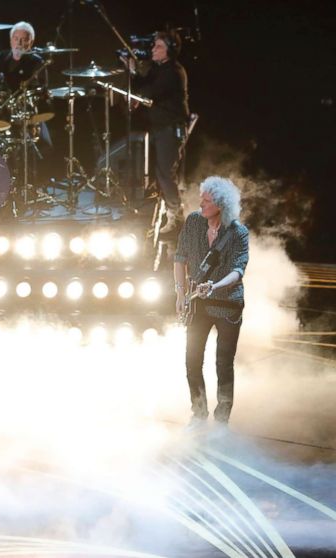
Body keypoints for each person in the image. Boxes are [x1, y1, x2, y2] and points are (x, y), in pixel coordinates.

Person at [174, 177, 249, 433]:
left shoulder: (238, 233)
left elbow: (238, 271)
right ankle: (199, 412)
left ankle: (221, 421)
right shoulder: (194, 222)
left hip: (227, 305)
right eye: (202, 198)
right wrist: (180, 292)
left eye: (206, 200)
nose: (201, 204)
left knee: (223, 363)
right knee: (192, 360)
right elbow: (179, 258)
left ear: (221, 204)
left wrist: (214, 287)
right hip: (199, 305)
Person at [124, 31, 190, 234]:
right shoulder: (158, 69)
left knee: (165, 174)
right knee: (157, 174)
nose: (153, 49)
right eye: (154, 46)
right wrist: (133, 72)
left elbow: (149, 91)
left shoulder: (173, 72)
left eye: (159, 46)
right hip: (158, 128)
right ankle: (164, 214)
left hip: (170, 129)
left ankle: (176, 219)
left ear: (170, 50)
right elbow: (143, 86)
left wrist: (136, 74)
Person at [0, 21, 44, 93]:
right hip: (3, 100)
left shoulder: (37, 61)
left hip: (24, 101)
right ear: (10, 41)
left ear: (31, 42)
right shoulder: (2, 56)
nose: (19, 43)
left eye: (23, 40)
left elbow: (41, 88)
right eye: (16, 39)